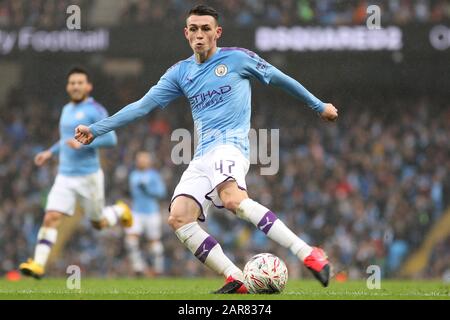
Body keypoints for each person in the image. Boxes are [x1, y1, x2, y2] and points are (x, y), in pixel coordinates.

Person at [75, 5, 338, 293]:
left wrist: (318, 105)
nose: (200, 34)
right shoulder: (180, 72)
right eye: (194, 29)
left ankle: (308, 253)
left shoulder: (238, 59)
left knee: (233, 199)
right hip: (202, 155)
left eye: (206, 29)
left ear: (217, 32)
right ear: (186, 33)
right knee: (178, 216)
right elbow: (141, 106)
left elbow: (279, 78)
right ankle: (235, 277)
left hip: (230, 146)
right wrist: (97, 128)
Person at [19, 67, 133, 279]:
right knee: (51, 216)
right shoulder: (66, 109)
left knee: (98, 223)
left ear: (88, 86)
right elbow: (65, 140)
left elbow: (111, 139)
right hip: (65, 176)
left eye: (80, 82)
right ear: (68, 86)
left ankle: (119, 210)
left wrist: (84, 145)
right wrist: (50, 152)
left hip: (88, 176)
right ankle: (38, 264)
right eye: (72, 82)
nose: (76, 86)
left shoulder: (95, 110)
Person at [125, 151, 167, 276]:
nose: (141, 161)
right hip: (136, 212)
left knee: (154, 242)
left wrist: (148, 189)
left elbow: (161, 192)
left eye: (144, 159)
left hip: (152, 212)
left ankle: (158, 269)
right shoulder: (133, 175)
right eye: (139, 159)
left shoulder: (154, 175)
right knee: (131, 240)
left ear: (149, 161)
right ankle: (138, 268)